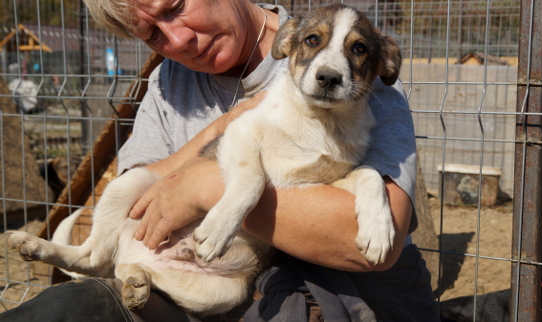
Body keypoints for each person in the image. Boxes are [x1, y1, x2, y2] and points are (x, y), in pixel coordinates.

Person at [0, 1, 440, 321]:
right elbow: (144, 197)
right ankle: (94, 258)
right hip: (171, 267)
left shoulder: (365, 90)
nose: (177, 38)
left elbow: (373, 242)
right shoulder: (168, 80)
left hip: (288, 291)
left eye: (175, 7)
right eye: (153, 34)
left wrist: (204, 187)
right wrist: (214, 134)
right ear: (294, 45)